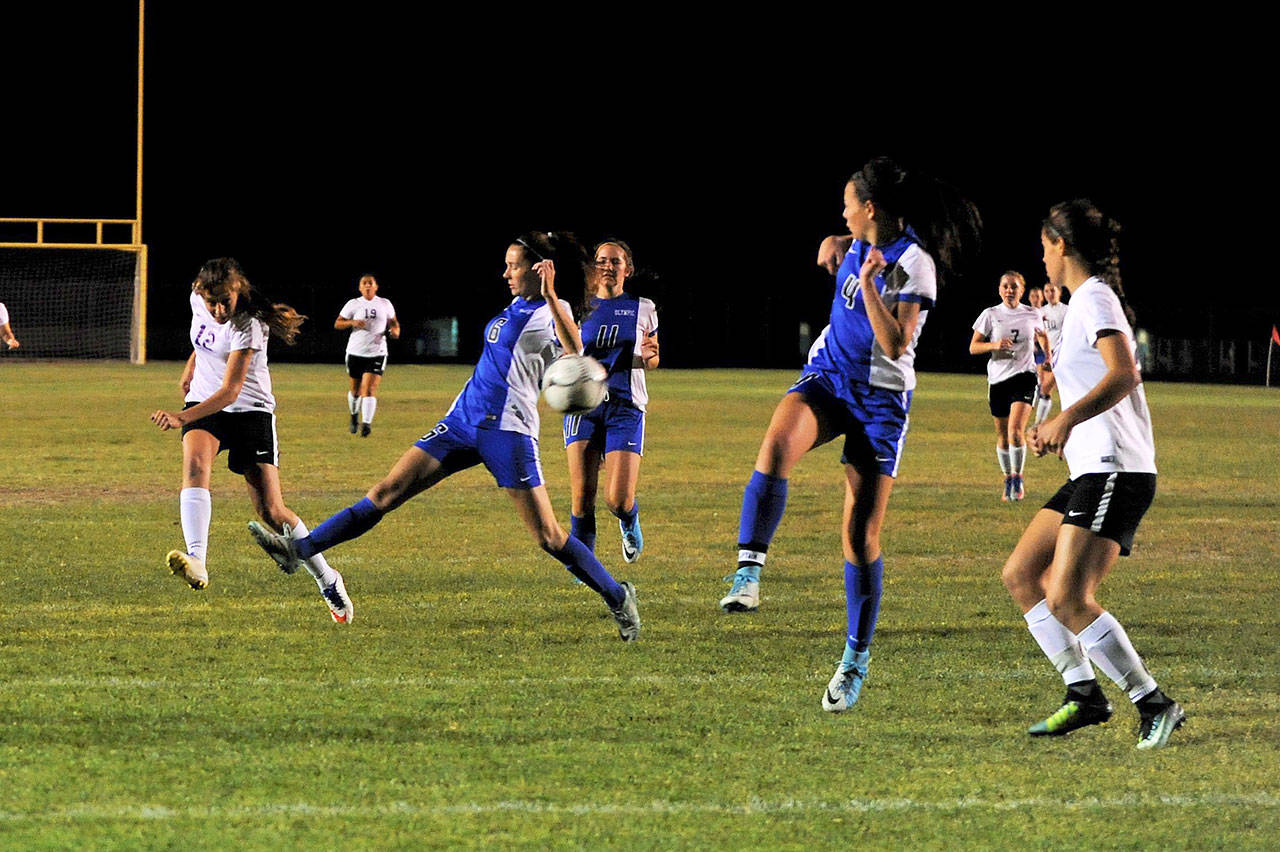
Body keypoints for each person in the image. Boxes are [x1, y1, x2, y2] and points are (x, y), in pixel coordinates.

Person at [247, 232, 642, 641]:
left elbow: (576, 350)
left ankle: (618, 596)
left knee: (549, 536)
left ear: (539, 270)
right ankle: (298, 551)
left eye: (513, 266)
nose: (506, 273)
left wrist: (551, 293)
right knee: (384, 493)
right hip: (462, 421)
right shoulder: (517, 305)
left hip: (507, 431)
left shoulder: (551, 309)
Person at [718, 157, 981, 714]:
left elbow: (895, 343)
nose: (841, 213)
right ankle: (748, 571)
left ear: (871, 209)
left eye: (847, 206)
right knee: (776, 446)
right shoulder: (860, 239)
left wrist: (865, 284)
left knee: (859, 537)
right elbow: (839, 242)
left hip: (881, 400)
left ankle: (855, 658)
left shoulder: (912, 264)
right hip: (831, 375)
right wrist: (837, 241)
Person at [1002, 200, 1184, 749]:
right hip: (1092, 468)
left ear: (1061, 245)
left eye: (1043, 247)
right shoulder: (1081, 302)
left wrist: (1067, 419)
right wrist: (1054, 427)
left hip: (1117, 469)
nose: (1041, 257)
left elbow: (1124, 372)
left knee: (1067, 596)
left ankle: (1154, 703)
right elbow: (1085, 382)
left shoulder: (1096, 296)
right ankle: (1084, 694)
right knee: (1021, 575)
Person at [150, 258, 353, 623]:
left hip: (250, 410)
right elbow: (203, 338)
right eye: (212, 302)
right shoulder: (198, 299)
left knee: (272, 512)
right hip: (204, 400)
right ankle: (197, 559)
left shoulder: (250, 324)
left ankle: (327, 578)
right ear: (201, 293)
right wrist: (191, 368)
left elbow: (231, 391)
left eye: (224, 301)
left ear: (237, 291)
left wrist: (181, 416)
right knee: (195, 465)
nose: (218, 309)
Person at [563, 239, 659, 563]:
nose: (607, 266)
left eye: (615, 261)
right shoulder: (578, 307)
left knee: (617, 500)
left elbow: (652, 358)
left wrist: (649, 357)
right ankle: (585, 568)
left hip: (625, 407)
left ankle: (629, 520)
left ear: (627, 269)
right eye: (601, 260)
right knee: (581, 499)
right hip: (584, 406)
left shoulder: (643, 307)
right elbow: (566, 351)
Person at [969, 271, 1048, 502]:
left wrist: (1048, 356)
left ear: (1022, 290)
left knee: (1015, 431)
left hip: (1025, 376)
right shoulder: (990, 314)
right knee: (1003, 436)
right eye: (1005, 286)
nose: (1009, 290)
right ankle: (1007, 478)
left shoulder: (1033, 313)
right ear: (999, 289)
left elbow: (1043, 335)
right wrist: (995, 345)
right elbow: (973, 347)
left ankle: (1018, 478)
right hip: (998, 380)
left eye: (1014, 286)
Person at [336, 274, 400, 437]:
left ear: (376, 287)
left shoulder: (385, 303)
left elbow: (393, 322)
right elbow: (338, 323)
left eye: (370, 283)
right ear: (360, 288)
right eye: (364, 283)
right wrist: (352, 322)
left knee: (369, 389)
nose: (367, 286)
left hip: (377, 352)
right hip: (355, 352)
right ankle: (354, 415)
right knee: (355, 390)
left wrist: (395, 331)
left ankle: (366, 425)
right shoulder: (353, 304)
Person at [1033, 281, 1070, 424]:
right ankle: (1039, 423)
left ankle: (1039, 423)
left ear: (1059, 292)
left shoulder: (1067, 310)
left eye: (1053, 290)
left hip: (1062, 355)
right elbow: (1037, 334)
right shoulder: (1041, 312)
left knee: (1046, 387)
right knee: (1045, 389)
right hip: (1047, 355)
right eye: (1047, 291)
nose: (1050, 294)